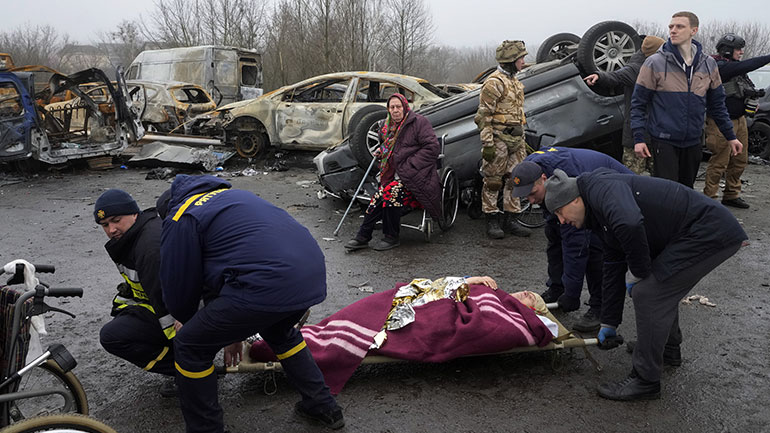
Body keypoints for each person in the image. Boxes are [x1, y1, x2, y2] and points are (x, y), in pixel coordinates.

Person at [156, 175, 343, 432]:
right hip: (309, 275)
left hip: (265, 284)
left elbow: (178, 287)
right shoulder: (234, 197)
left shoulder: (181, 216)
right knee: (280, 332)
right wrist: (230, 331)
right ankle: (323, 405)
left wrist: (190, 321)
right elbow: (224, 272)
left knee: (189, 345)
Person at [544, 168, 746, 400]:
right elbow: (613, 262)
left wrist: (637, 274)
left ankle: (645, 380)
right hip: (691, 233)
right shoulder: (597, 213)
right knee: (659, 289)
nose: (562, 221)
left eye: (560, 212)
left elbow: (629, 223)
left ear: (575, 199)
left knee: (648, 293)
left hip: (708, 230)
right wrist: (609, 322)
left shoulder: (601, 189)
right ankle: (668, 350)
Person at [511, 147, 632, 332]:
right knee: (553, 234)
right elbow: (558, 238)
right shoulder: (529, 168)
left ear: (544, 179)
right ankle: (556, 287)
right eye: (525, 195)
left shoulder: (565, 185)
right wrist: (561, 286)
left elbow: (576, 245)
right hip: (583, 178)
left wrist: (572, 293)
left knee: (594, 248)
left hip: (614, 183)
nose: (530, 200)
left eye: (533, 193)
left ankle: (600, 308)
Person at [630, 11, 743, 188]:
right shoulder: (654, 63)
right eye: (671, 27)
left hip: (693, 140)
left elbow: (717, 105)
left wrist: (731, 136)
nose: (673, 31)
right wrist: (638, 138)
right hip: (664, 139)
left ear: (693, 30)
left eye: (679, 26)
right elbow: (638, 104)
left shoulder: (708, 64)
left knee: (687, 192)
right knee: (667, 193)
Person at [93, 189, 177, 396]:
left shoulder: (149, 248)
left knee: (112, 336)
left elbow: (168, 305)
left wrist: (189, 352)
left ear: (134, 214)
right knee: (122, 314)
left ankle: (187, 369)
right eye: (105, 225)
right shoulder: (135, 236)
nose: (111, 230)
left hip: (183, 313)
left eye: (116, 220)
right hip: (163, 306)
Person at [345, 93, 442, 251]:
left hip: (417, 176)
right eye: (392, 107)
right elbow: (391, 147)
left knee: (390, 192)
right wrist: (382, 152)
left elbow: (432, 148)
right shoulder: (387, 127)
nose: (395, 110)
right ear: (388, 110)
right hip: (396, 176)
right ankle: (363, 236)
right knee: (378, 197)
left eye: (398, 107)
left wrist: (410, 165)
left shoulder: (419, 123)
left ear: (405, 107)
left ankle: (391, 236)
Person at [703, 33, 770, 209]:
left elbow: (746, 85)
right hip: (720, 122)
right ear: (727, 50)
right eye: (738, 49)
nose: (741, 52)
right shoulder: (717, 66)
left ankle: (731, 194)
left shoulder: (737, 70)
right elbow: (745, 65)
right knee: (719, 162)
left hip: (740, 121)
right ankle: (709, 199)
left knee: (740, 160)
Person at [474, 40, 532, 239]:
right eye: (521, 58)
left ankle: (511, 219)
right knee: (493, 181)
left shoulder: (515, 81)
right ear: (511, 60)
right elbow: (483, 117)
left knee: (515, 179)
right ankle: (492, 219)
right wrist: (487, 144)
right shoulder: (494, 83)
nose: (524, 61)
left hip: (516, 140)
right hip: (498, 140)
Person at [583, 35, 665, 174]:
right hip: (635, 137)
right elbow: (617, 76)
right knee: (631, 178)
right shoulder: (636, 68)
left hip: (655, 134)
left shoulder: (659, 67)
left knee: (661, 177)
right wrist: (599, 76)